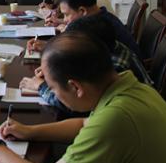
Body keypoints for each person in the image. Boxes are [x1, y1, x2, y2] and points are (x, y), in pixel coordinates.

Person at [0, 33, 166, 163]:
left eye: (52, 88)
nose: (53, 93)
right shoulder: (132, 88)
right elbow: (84, 124)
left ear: (76, 87)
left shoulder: (115, 119)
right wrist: (31, 132)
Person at [20, 14, 152, 113]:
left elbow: (79, 106)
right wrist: (54, 69)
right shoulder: (111, 47)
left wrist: (42, 86)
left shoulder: (116, 68)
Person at [28, 0, 140, 58]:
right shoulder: (101, 17)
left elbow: (78, 55)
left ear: (82, 11)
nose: (65, 20)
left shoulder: (97, 28)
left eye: (66, 15)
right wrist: (48, 46)